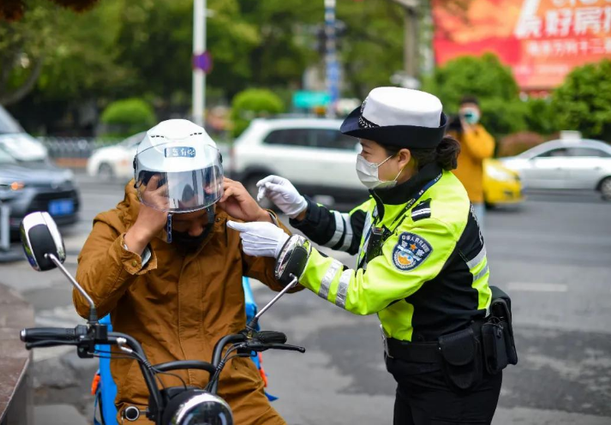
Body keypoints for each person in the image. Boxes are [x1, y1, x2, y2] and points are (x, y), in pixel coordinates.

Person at [228, 87, 507, 424]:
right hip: (423, 368)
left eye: (366, 150)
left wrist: (286, 249)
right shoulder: (406, 190)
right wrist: (300, 209)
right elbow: (356, 232)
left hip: (451, 379)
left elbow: (363, 292)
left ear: (402, 157)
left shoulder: (435, 216)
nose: (361, 158)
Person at [73, 119, 297, 425]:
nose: (195, 230)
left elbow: (294, 278)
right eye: (180, 223)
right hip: (150, 401)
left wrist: (260, 221)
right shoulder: (115, 225)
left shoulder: (226, 219)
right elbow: (88, 302)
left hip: (236, 395)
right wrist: (138, 236)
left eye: (202, 220)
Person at [447, 96, 495, 228]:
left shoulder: (483, 136)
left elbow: (481, 153)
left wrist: (467, 130)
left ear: (479, 113)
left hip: (473, 197)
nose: (468, 116)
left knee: (475, 241)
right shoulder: (452, 133)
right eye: (465, 112)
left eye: (471, 111)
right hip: (449, 196)